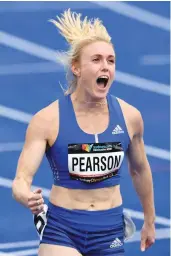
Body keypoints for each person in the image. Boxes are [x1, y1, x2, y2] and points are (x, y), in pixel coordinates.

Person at [12, 9, 155, 256]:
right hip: (63, 228)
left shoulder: (130, 117)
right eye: (97, 59)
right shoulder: (47, 120)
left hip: (109, 229)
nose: (106, 67)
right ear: (76, 68)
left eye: (111, 61)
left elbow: (139, 169)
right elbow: (20, 181)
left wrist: (150, 221)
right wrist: (27, 197)